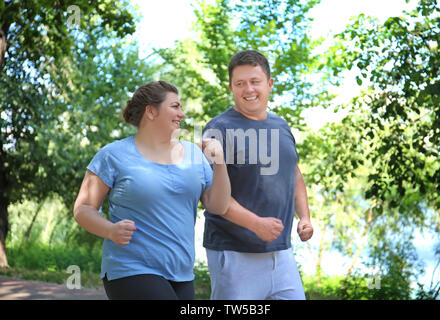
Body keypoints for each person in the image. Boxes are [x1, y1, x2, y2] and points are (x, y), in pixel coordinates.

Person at [73, 80, 230, 300]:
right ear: (151, 111)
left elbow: (219, 206)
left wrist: (220, 162)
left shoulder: (194, 155)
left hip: (182, 273)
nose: (182, 114)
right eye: (175, 106)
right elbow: (83, 208)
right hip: (131, 269)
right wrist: (110, 230)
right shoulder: (113, 155)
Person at [202, 50, 314, 300]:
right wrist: (255, 224)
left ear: (269, 84)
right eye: (240, 83)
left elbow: (294, 174)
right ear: (231, 87)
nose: (248, 89)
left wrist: (304, 217)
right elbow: (211, 196)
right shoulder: (217, 129)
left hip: (282, 253)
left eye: (255, 81)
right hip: (234, 254)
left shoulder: (281, 126)